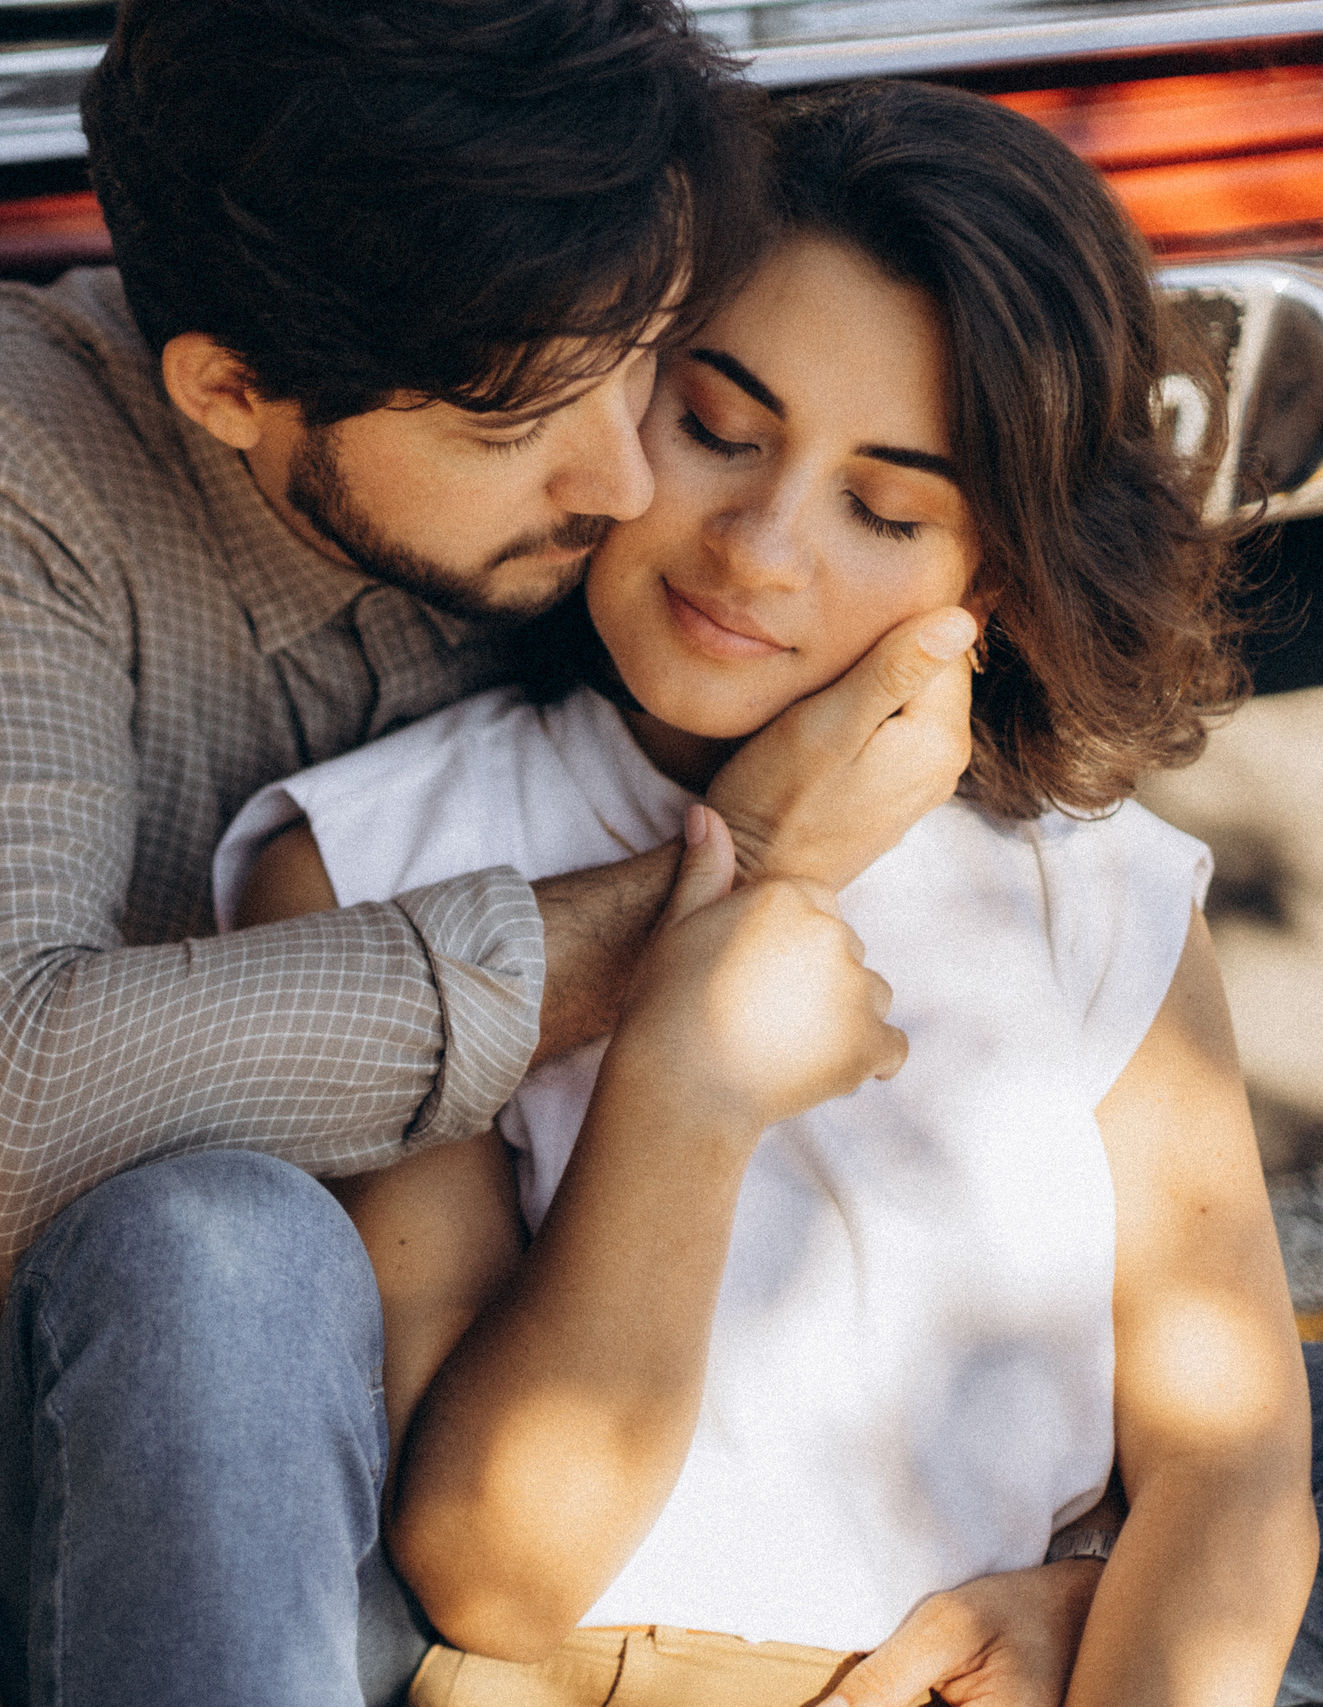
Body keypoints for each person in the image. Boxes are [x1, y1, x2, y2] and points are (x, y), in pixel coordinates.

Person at [219, 80, 1317, 1707]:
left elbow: (1228, 1473)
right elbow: (494, 1570)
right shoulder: (378, 861)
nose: (763, 545)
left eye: (887, 506)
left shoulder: (1098, 897)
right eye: (719, 431)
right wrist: (688, 1068)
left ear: (992, 571)